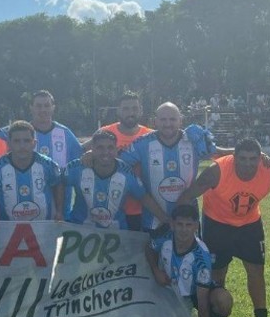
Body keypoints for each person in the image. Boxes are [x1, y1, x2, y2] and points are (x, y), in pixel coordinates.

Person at [178, 138, 270, 317]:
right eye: (242, 158)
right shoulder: (217, 171)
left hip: (250, 224)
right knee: (217, 274)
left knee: (256, 271)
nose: (248, 164)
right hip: (217, 224)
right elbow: (189, 194)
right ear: (234, 157)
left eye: (253, 159)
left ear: (260, 159)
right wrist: (176, 223)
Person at [120, 102, 229, 231]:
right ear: (155, 121)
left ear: (180, 120)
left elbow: (218, 153)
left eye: (172, 119)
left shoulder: (194, 140)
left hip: (187, 220)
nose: (168, 124)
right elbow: (117, 163)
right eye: (163, 119)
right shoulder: (142, 143)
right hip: (153, 220)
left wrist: (237, 151)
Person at [146, 204, 234, 317]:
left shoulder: (201, 258)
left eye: (188, 225)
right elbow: (149, 248)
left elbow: (203, 304)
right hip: (171, 289)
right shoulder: (165, 237)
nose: (184, 229)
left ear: (196, 226)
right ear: (172, 225)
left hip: (194, 293)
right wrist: (156, 270)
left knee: (223, 301)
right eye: (180, 224)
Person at [65, 129, 171, 230]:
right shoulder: (77, 167)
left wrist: (165, 219)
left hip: (116, 233)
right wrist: (60, 213)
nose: (105, 152)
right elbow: (60, 182)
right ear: (92, 149)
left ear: (116, 149)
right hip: (79, 229)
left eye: (110, 147)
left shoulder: (126, 173)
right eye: (100, 147)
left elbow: (144, 197)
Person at [93, 91, 153, 231]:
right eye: (126, 108)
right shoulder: (105, 132)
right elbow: (88, 153)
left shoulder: (151, 136)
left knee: (141, 245)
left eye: (134, 108)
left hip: (143, 208)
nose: (130, 113)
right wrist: (88, 155)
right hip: (109, 209)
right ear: (118, 111)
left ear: (141, 110)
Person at [0, 120, 64, 221]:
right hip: (8, 229)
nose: (22, 146)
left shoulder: (48, 165)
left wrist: (59, 211)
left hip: (43, 228)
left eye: (27, 141)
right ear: (9, 144)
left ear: (34, 143)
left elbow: (58, 185)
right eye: (17, 141)